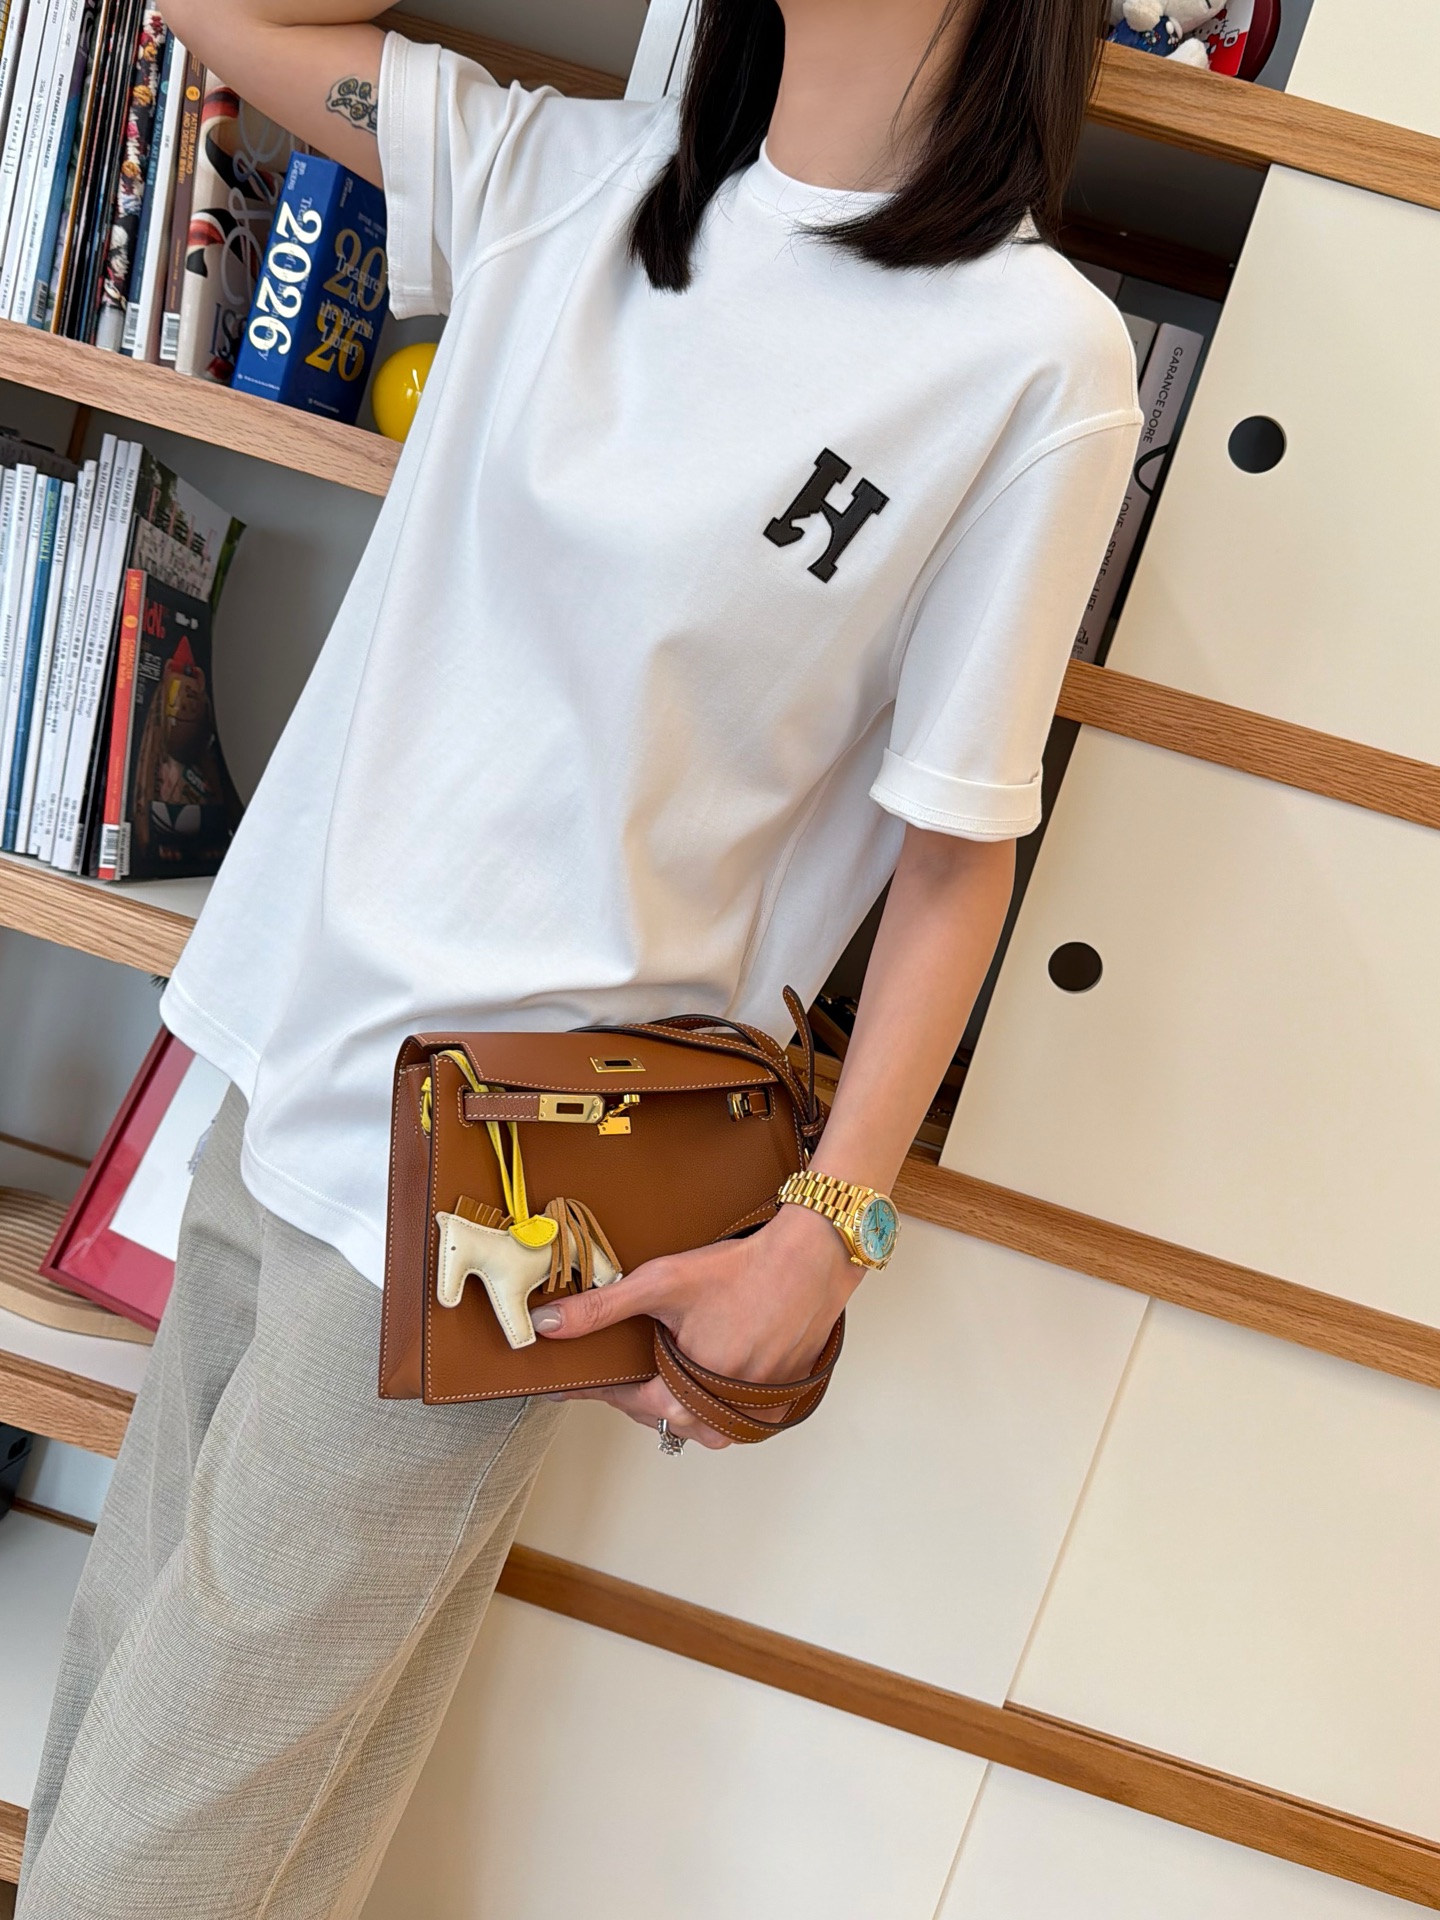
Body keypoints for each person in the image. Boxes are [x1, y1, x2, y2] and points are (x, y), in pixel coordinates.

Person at [18, 1, 1141, 1913]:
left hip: (507, 1185)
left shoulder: (1033, 355)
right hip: (281, 1067)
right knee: (146, 1754)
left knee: (151, 1856)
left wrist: (832, 1230)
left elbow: (959, 851)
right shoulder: (564, 173)